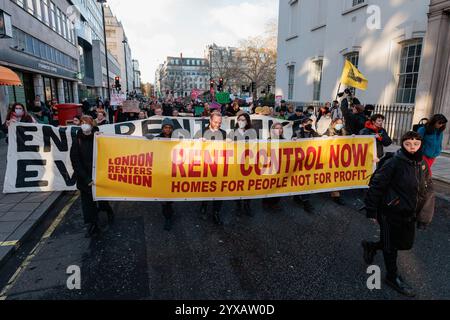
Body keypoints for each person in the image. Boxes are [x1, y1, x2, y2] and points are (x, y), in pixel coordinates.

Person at [362, 131, 434, 297]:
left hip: (409, 213)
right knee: (390, 246)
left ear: (421, 144)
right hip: (389, 212)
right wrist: (371, 210)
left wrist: (424, 215)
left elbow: (428, 189)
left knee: (404, 243)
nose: (412, 148)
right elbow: (377, 186)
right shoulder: (394, 162)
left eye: (416, 144)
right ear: (402, 144)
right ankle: (392, 277)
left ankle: (371, 246)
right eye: (408, 144)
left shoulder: (422, 163)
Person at [70, 116, 114, 238]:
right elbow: (76, 162)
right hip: (85, 179)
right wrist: (86, 178)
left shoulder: (99, 137)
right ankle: (92, 224)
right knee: (87, 203)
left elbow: (107, 154)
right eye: (82, 122)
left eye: (87, 122)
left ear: (92, 124)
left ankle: (108, 211)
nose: (84, 124)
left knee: (101, 198)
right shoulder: (77, 140)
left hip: (98, 175)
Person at [196, 112, 227, 225]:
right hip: (205, 166)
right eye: (215, 122)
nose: (217, 125)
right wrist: (198, 142)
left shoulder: (224, 133)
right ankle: (204, 204)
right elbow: (191, 148)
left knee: (219, 190)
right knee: (206, 188)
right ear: (210, 120)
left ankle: (216, 212)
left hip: (219, 167)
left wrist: (229, 143)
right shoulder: (201, 132)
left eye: (219, 123)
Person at [148, 118, 176, 231]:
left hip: (173, 171)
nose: (167, 129)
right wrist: (147, 139)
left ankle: (169, 213)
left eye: (169, 128)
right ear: (162, 128)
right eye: (165, 127)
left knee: (169, 196)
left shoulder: (177, 138)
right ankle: (167, 217)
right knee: (164, 198)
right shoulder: (157, 138)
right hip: (160, 171)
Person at [228, 112, 257, 217]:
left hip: (248, 162)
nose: (241, 121)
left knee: (248, 184)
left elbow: (255, 145)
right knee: (237, 184)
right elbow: (227, 145)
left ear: (247, 121)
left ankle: (247, 204)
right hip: (236, 162)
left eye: (244, 120)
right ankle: (238, 204)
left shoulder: (252, 132)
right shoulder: (232, 132)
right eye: (239, 119)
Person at [292, 117, 319, 213]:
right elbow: (290, 144)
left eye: (311, 123)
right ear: (303, 124)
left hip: (310, 162)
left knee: (306, 181)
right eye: (308, 123)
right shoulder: (297, 132)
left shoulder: (313, 132)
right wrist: (293, 140)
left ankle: (306, 201)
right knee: (299, 180)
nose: (310, 124)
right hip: (299, 161)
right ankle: (297, 196)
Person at [324, 119, 348, 205]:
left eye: (341, 123)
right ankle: (335, 194)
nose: (340, 125)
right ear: (333, 124)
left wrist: (353, 138)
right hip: (330, 159)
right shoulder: (327, 132)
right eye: (338, 123)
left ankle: (336, 194)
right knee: (332, 176)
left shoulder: (344, 132)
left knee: (338, 176)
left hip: (340, 159)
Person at [262, 123, 285, 210]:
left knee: (278, 186)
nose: (279, 130)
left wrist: (295, 141)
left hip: (280, 167)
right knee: (269, 185)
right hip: (270, 167)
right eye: (276, 128)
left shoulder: (286, 141)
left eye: (281, 128)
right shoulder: (268, 140)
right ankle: (265, 201)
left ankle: (275, 203)